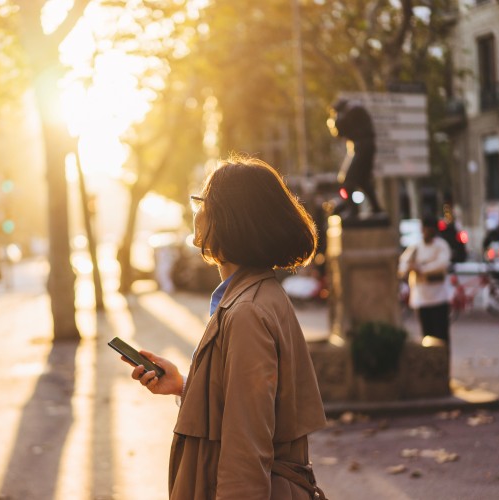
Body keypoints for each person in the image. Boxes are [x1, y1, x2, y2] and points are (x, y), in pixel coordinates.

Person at [123, 156, 327, 499]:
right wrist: (184, 386)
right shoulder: (258, 294)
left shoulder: (247, 311)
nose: (197, 210)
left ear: (230, 218)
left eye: (203, 200)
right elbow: (247, 406)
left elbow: (247, 448)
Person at [398, 215, 452, 352]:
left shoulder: (441, 246)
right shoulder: (415, 247)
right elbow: (403, 264)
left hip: (439, 298)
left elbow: (442, 264)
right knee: (427, 337)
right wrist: (409, 268)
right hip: (421, 298)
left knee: (441, 336)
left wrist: (421, 268)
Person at [327, 98, 383, 218]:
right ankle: (376, 208)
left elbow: (339, 131)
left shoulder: (351, 110)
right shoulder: (354, 109)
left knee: (347, 181)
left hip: (362, 148)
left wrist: (334, 121)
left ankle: (353, 211)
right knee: (363, 181)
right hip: (363, 148)